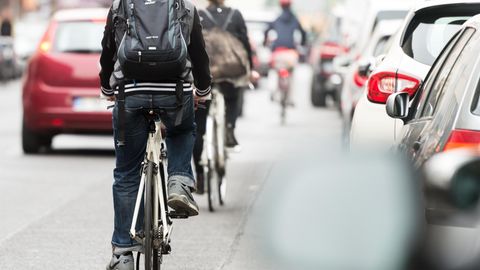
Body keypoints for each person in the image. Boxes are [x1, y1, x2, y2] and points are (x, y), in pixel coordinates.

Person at [99, 1, 212, 269]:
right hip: (175, 93)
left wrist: (107, 87)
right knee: (182, 130)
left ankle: (123, 254)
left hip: (131, 94)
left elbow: (108, 52)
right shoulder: (186, 7)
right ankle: (179, 182)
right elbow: (199, 55)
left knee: (126, 174)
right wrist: (203, 90)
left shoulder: (119, 6)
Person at [192, 0, 253, 193]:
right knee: (234, 96)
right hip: (229, 70)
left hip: (205, 73)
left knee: (198, 127)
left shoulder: (199, 15)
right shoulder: (235, 15)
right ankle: (229, 128)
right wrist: (250, 68)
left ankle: (200, 175)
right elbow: (245, 45)